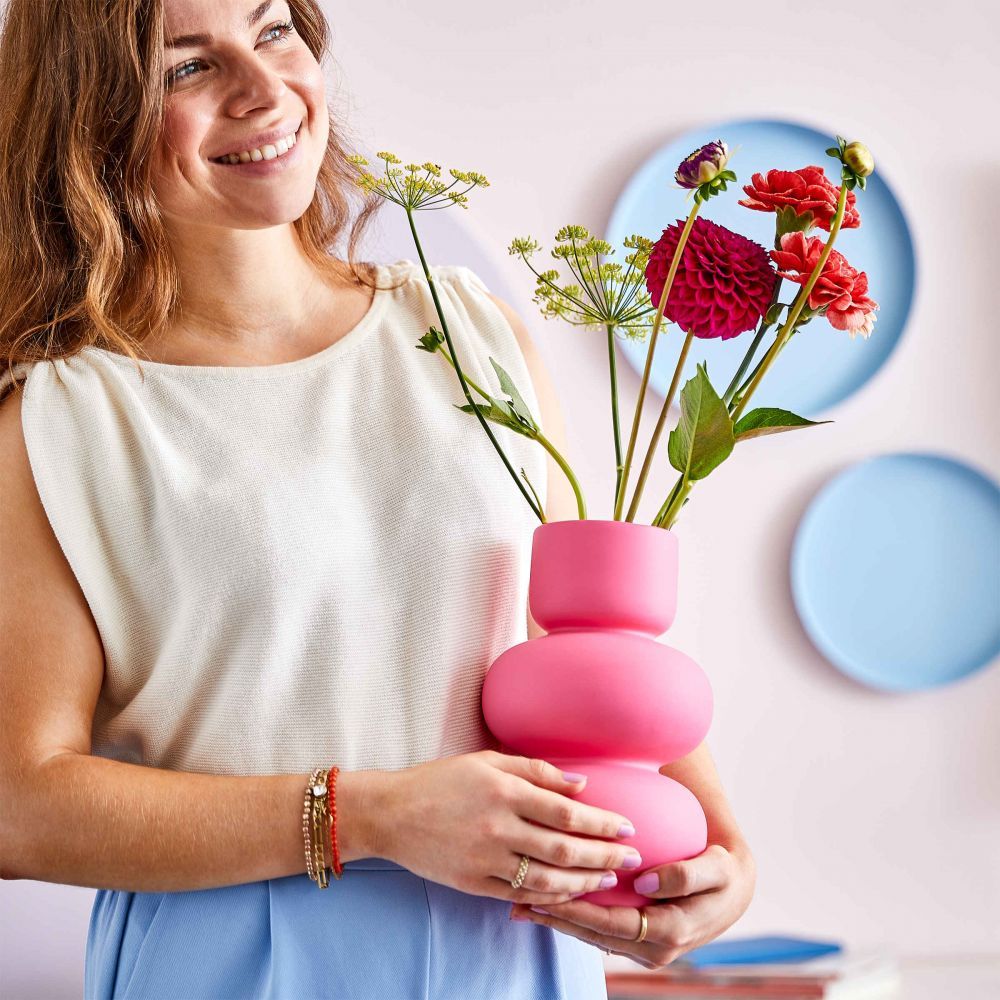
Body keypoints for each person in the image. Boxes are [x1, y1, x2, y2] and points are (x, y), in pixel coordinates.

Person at [0, 1, 756, 997]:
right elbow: (19, 805)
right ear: (91, 116)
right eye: (186, 66)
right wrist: (371, 817)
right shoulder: (57, 420)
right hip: (232, 960)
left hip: (516, 948)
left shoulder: (470, 332)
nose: (262, 90)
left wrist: (719, 845)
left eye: (273, 31)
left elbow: (585, 643)